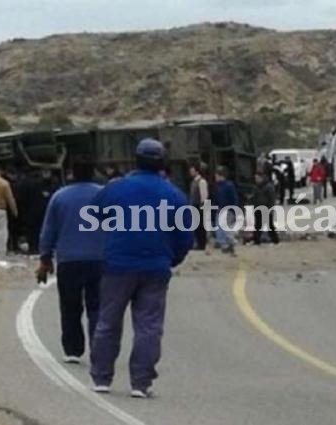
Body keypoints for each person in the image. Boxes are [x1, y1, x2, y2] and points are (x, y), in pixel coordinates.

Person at [89, 138, 194, 398]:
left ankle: (102, 376)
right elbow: (186, 236)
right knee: (149, 326)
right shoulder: (174, 195)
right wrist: (172, 259)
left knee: (108, 321)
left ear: (135, 160)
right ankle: (141, 382)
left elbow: (94, 215)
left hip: (118, 266)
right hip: (156, 268)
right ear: (163, 163)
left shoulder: (117, 188)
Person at [37, 159, 104, 364]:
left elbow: (48, 231)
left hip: (68, 261)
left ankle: (73, 349)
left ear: (72, 174)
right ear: (93, 172)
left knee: (70, 306)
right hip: (99, 260)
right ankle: (99, 347)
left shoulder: (59, 197)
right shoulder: (105, 195)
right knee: (97, 307)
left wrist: (45, 259)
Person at [213, 166, 239, 256]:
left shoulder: (228, 186)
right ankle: (225, 244)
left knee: (225, 229)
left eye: (216, 175)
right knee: (220, 227)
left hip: (227, 210)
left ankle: (229, 243)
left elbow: (233, 199)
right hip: (220, 209)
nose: (215, 178)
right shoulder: (219, 186)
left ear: (221, 176)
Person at [251, 173, 280, 245]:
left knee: (269, 225)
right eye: (255, 178)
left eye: (257, 178)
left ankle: (275, 239)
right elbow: (254, 198)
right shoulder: (256, 187)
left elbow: (271, 199)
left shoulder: (268, 187)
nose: (256, 180)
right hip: (258, 208)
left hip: (266, 209)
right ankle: (256, 240)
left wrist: (270, 209)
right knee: (258, 225)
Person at [189, 163, 209, 250]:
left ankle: (202, 244)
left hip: (199, 206)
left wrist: (202, 206)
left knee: (200, 226)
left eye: (192, 171)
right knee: (196, 225)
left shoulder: (201, 181)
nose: (191, 173)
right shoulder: (194, 182)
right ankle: (198, 243)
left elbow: (204, 195)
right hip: (194, 205)